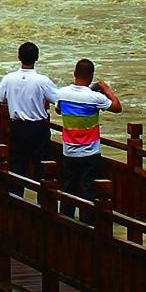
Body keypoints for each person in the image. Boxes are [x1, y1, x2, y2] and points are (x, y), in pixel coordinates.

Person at [54, 59, 122, 204]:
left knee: (68, 189)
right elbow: (117, 107)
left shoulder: (61, 93)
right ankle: (88, 224)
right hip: (90, 153)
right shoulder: (95, 97)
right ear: (91, 76)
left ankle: (66, 221)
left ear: (74, 73)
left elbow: (58, 110)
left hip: (69, 151)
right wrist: (107, 90)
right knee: (88, 191)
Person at [0, 41, 60, 183]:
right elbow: (58, 100)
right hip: (38, 129)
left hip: (17, 128)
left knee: (17, 169)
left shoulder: (8, 78)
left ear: (18, 57)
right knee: (42, 170)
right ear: (37, 58)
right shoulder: (42, 80)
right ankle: (43, 202)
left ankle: (16, 200)